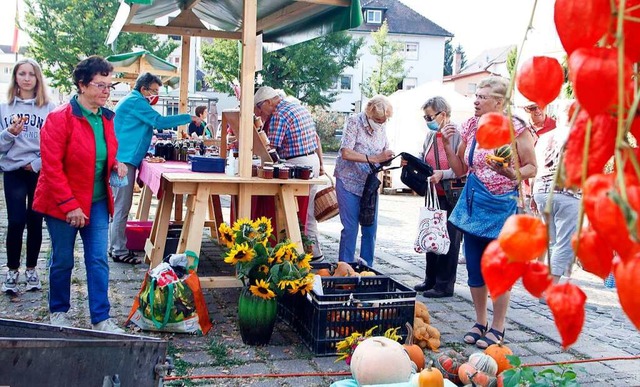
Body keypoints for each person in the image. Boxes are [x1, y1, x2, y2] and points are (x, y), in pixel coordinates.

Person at [33, 55, 128, 333]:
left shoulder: (107, 118)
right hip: (62, 204)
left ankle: (101, 318)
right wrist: (70, 205)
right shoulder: (59, 118)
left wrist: (116, 164)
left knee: (98, 259)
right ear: (82, 85)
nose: (106, 91)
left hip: (97, 201)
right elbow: (51, 168)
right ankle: (59, 311)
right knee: (62, 259)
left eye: (110, 86)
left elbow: (104, 153)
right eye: (101, 85)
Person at [442, 77, 537, 348]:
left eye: (482, 97)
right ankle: (480, 320)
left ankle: (498, 325)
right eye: (476, 95)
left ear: (499, 102)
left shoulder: (516, 129)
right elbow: (461, 170)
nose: (476, 100)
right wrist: (448, 145)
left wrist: (510, 172)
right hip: (474, 203)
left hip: (502, 206)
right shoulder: (471, 126)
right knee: (474, 267)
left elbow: (531, 167)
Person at [108, 73, 192, 264]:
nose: (155, 95)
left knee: (120, 205)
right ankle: (118, 249)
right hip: (123, 160)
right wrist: (188, 117)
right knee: (121, 206)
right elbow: (159, 122)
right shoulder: (137, 102)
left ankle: (116, 246)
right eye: (153, 90)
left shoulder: (134, 100)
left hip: (125, 158)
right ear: (143, 89)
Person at [0, 58, 56, 294]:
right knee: (15, 222)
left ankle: (32, 269)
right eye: (21, 73)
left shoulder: (49, 108)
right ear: (15, 77)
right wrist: (8, 133)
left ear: (37, 78)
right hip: (13, 170)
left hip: (38, 171)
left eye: (31, 74)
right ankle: (12, 270)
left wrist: (38, 163)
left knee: (35, 221)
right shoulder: (4, 108)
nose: (26, 78)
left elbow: (56, 145)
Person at [254, 86, 324, 260]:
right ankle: (314, 254)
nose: (263, 113)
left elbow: (271, 148)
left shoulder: (278, 114)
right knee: (307, 211)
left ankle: (300, 253)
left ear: (268, 102)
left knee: (293, 212)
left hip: (297, 162)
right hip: (311, 160)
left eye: (261, 109)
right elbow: (316, 139)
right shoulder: (296, 106)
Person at [408, 96, 463, 298]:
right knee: (431, 233)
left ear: (443, 114)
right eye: (425, 117)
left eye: (429, 116)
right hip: (434, 193)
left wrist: (443, 174)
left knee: (449, 238)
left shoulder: (456, 134)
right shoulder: (431, 136)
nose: (427, 120)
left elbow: (461, 167)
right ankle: (430, 279)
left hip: (453, 194)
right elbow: (425, 157)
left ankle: (444, 285)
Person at [334, 95, 395, 267]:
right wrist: (375, 158)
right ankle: (344, 268)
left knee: (370, 228)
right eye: (377, 120)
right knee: (351, 228)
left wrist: (388, 157)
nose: (380, 123)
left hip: (369, 184)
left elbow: (384, 150)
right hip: (348, 181)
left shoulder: (382, 127)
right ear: (369, 113)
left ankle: (367, 267)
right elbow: (345, 152)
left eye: (384, 120)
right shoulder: (354, 122)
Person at [527, 103, 579, 287]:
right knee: (564, 242)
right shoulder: (580, 136)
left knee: (551, 241)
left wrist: (533, 194)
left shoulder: (546, 137)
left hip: (542, 190)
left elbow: (536, 165)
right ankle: (550, 287)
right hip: (568, 193)